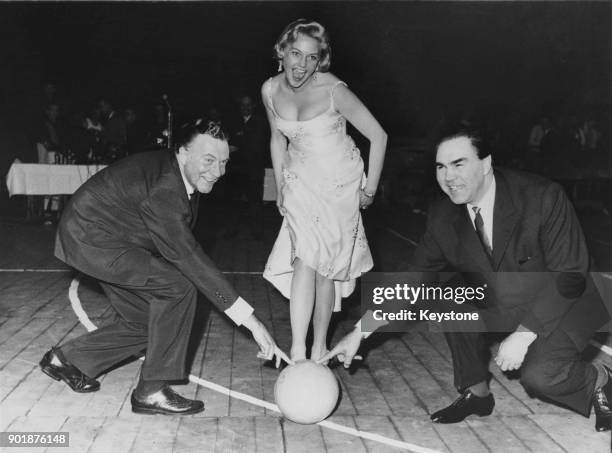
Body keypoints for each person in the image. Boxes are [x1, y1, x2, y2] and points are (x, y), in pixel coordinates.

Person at [321, 124, 611, 431]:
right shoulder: (444, 216)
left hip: (571, 300)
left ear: (485, 164)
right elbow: (413, 279)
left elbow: (569, 276)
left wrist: (525, 334)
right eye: (441, 167)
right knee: (449, 298)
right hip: (509, 295)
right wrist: (360, 332)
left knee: (540, 377)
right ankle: (476, 393)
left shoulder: (541, 197)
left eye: (459, 164)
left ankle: (602, 380)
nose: (449, 177)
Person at [39, 119, 290, 416]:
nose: (218, 172)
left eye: (223, 162)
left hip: (109, 235)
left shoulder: (176, 174)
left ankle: (65, 359)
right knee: (178, 289)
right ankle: (151, 392)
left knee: (152, 322)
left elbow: (176, 245)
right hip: (92, 237)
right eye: (208, 160)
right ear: (183, 154)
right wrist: (253, 323)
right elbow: (190, 258)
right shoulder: (165, 190)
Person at [261, 19, 387, 362]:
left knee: (326, 269)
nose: (301, 65)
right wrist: (280, 188)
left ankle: (319, 346)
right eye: (295, 54)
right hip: (300, 179)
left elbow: (379, 136)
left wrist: (370, 190)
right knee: (304, 257)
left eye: (311, 58)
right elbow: (277, 138)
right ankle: (298, 349)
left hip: (339, 183)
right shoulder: (270, 90)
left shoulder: (334, 90)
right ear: (282, 51)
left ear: (321, 61)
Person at [226, 94, 270, 239]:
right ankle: (231, 231)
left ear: (254, 106)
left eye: (248, 105)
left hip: (254, 170)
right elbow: (229, 140)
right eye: (243, 105)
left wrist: (238, 144)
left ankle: (257, 234)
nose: (245, 108)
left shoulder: (260, 122)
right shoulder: (234, 122)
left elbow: (256, 146)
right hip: (236, 169)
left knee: (255, 202)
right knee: (233, 201)